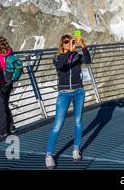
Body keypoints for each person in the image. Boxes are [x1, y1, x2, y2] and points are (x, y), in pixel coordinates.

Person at [45, 34, 91, 169]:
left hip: (79, 92)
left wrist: (83, 46)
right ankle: (48, 155)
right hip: (64, 94)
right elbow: (61, 66)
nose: (69, 44)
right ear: (62, 45)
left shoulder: (77, 56)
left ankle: (76, 149)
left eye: (70, 42)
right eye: (66, 42)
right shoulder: (57, 57)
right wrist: (70, 51)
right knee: (57, 125)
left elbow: (88, 60)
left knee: (78, 122)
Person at [0, 36, 16, 138]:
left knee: (0, 107)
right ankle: (11, 127)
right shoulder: (9, 53)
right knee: (5, 105)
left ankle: (3, 131)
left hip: (0, 84)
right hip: (9, 83)